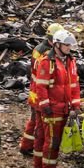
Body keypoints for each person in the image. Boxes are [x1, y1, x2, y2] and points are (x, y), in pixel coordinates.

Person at [34, 29, 81, 168]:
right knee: (51, 141)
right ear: (57, 45)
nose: (69, 48)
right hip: (52, 109)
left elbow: (74, 85)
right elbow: (40, 86)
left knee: (56, 140)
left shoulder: (70, 61)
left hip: (64, 108)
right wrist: (45, 105)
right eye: (66, 45)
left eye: (69, 45)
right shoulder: (47, 62)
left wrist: (75, 105)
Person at [21, 23, 63, 158]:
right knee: (39, 123)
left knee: (33, 119)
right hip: (40, 92)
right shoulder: (47, 53)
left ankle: (26, 146)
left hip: (34, 90)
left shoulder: (38, 48)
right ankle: (33, 149)